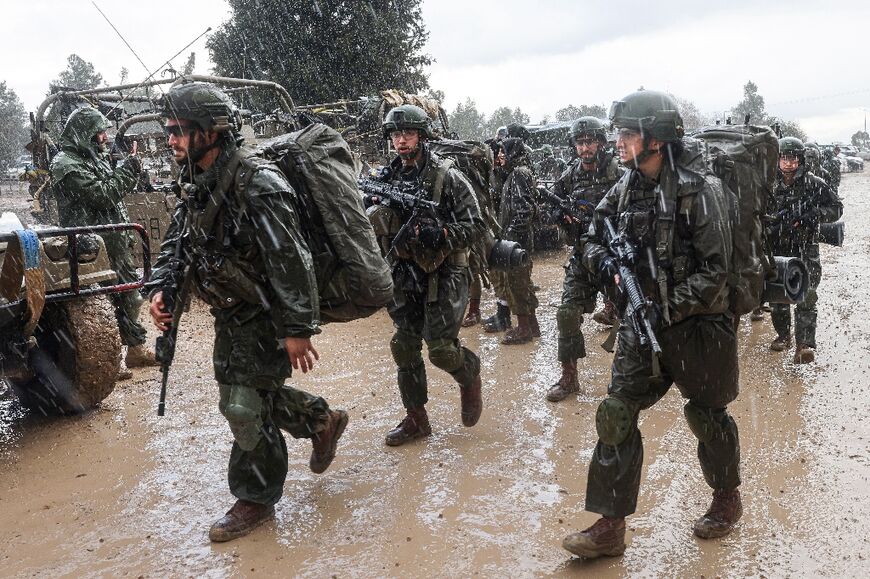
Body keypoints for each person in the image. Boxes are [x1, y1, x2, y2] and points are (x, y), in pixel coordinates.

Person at [147, 82, 348, 542]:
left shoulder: (258, 183)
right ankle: (320, 419)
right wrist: (161, 290)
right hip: (230, 314)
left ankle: (256, 498)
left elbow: (290, 260)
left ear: (211, 131)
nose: (171, 140)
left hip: (264, 314)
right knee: (247, 399)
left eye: (179, 130)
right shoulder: (197, 182)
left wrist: (297, 327)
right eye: (168, 131)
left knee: (242, 404)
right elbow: (178, 245)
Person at [562, 90, 743, 558]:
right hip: (641, 324)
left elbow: (715, 272)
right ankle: (610, 525)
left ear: (656, 139)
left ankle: (727, 497)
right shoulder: (625, 186)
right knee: (617, 413)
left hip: (698, 327)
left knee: (707, 417)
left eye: (627, 133)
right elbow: (594, 233)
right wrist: (607, 265)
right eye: (618, 132)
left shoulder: (701, 191)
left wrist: (663, 307)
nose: (617, 142)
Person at [370, 104, 485, 446]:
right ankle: (416, 419)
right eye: (395, 135)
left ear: (422, 136)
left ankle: (469, 375)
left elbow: (475, 224)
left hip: (444, 271)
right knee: (403, 345)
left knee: (440, 350)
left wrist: (442, 234)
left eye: (407, 134)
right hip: (404, 272)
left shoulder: (447, 177)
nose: (400, 141)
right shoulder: (387, 177)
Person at [49, 106, 159, 372]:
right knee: (101, 305)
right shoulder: (66, 164)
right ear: (84, 134)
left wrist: (127, 170)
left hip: (115, 241)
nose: (105, 138)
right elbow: (103, 194)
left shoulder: (94, 157)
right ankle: (111, 362)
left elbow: (112, 191)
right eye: (99, 133)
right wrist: (129, 169)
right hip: (90, 247)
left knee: (130, 297)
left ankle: (134, 348)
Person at [546, 116, 624, 402]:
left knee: (632, 318)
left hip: (614, 256)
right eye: (580, 142)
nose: (585, 147)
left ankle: (629, 378)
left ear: (601, 143)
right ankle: (569, 378)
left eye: (590, 141)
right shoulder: (570, 175)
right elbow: (551, 205)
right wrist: (562, 216)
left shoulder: (618, 172)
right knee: (567, 314)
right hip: (582, 257)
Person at [766, 137, 842, 363]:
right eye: (784, 158)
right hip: (777, 248)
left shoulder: (814, 183)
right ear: (777, 159)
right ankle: (783, 335)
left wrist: (813, 217)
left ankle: (804, 344)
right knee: (778, 296)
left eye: (793, 158)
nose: (788, 163)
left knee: (807, 295)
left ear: (800, 159)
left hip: (805, 247)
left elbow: (836, 208)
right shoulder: (769, 183)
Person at [490, 137, 539, 344]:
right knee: (523, 283)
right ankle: (532, 326)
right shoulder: (517, 172)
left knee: (517, 284)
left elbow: (523, 210)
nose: (500, 155)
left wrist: (509, 238)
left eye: (503, 151)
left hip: (516, 242)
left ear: (513, 153)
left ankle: (524, 329)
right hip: (519, 240)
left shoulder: (519, 174)